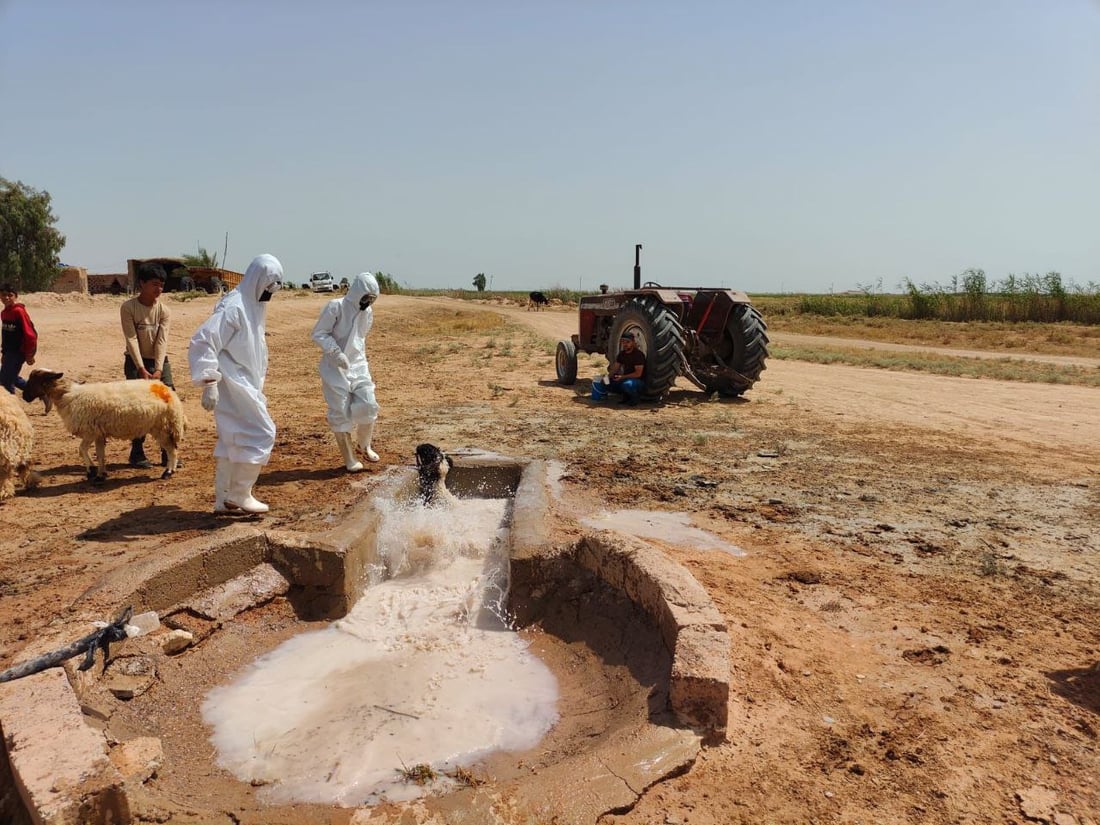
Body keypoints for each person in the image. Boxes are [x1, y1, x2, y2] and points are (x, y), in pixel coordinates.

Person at [188, 253, 284, 514]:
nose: (268, 296)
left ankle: (223, 501)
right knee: (263, 432)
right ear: (258, 280)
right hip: (232, 382)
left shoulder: (252, 304)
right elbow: (204, 340)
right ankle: (241, 494)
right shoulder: (234, 307)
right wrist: (209, 381)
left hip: (244, 380)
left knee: (233, 439)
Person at [311, 272, 381, 471]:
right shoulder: (336, 307)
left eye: (372, 299)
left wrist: (354, 357)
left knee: (369, 404)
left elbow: (361, 336)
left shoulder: (367, 312)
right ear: (357, 292)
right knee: (340, 412)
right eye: (366, 297)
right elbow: (319, 333)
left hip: (358, 365)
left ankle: (364, 445)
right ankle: (349, 458)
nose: (368, 302)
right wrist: (335, 353)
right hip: (335, 368)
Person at [121, 262, 176, 468]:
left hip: (160, 361)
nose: (158, 289)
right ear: (142, 283)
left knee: (167, 404)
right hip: (136, 361)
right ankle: (137, 453)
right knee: (139, 408)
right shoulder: (128, 308)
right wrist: (141, 369)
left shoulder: (164, 310)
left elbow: (162, 341)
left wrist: (159, 370)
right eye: (154, 284)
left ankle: (167, 452)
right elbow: (131, 338)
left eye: (161, 285)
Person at [0, 284, 38, 394]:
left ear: (15, 297)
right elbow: (6, 336)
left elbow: (30, 335)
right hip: (9, 352)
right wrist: (4, 353)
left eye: (10, 295)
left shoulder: (18, 311)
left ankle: (10, 408)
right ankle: (39, 392)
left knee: (6, 383)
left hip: (18, 352)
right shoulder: (4, 313)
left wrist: (29, 354)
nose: (6, 298)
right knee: (9, 376)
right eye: (3, 295)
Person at [605, 331, 646, 405]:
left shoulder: (638, 355)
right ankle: (625, 396)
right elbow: (615, 369)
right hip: (626, 379)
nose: (625, 344)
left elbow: (638, 374)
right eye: (623, 342)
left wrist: (622, 377)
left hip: (637, 381)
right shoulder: (622, 354)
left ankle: (635, 397)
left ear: (633, 342)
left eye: (627, 342)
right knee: (606, 383)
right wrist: (606, 378)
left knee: (627, 384)